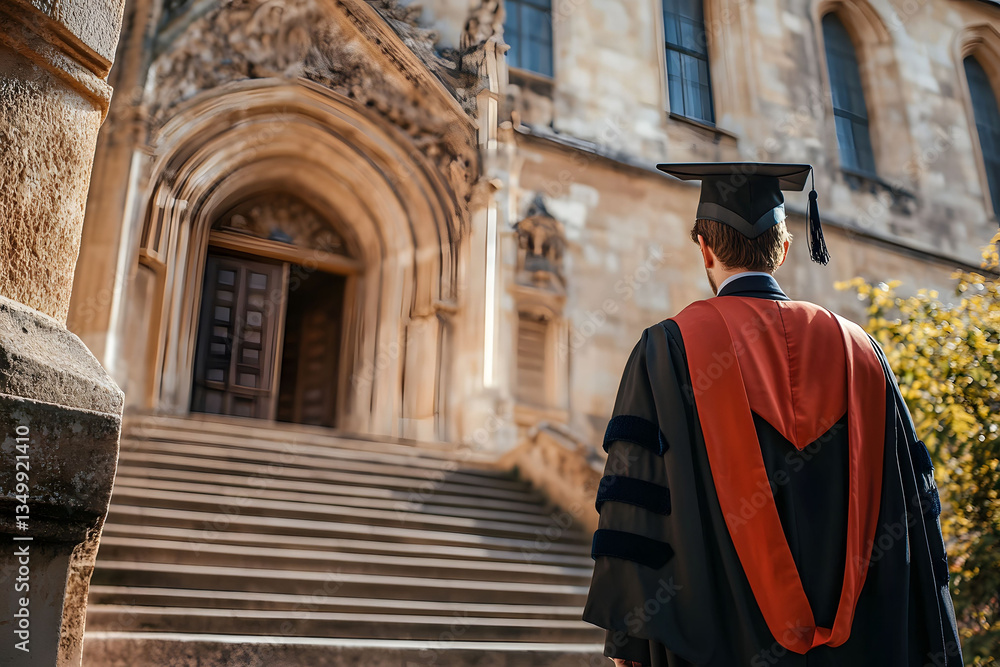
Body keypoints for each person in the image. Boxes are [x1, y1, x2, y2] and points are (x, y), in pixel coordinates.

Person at [582, 162, 962, 667]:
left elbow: (633, 508)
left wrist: (627, 643)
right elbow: (916, 516)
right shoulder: (861, 354)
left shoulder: (667, 351)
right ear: (783, 251)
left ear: (705, 250)